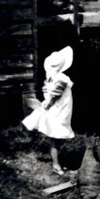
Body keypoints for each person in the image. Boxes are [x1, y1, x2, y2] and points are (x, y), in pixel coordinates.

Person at [22, 46, 75, 175]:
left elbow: (48, 92)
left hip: (59, 109)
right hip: (59, 110)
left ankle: (56, 161)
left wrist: (47, 102)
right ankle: (56, 165)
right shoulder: (62, 79)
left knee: (56, 137)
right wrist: (48, 105)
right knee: (55, 137)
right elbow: (55, 96)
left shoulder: (51, 77)